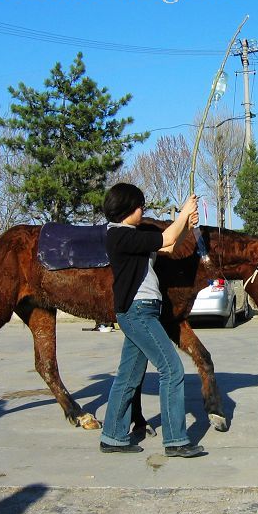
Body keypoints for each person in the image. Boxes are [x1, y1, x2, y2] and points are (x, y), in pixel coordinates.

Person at [100, 183, 205, 457]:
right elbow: (166, 238)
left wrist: (187, 223)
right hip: (137, 311)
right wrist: (182, 213)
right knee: (172, 369)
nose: (142, 210)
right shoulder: (119, 236)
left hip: (142, 311)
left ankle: (112, 435)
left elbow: (170, 245)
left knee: (129, 376)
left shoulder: (132, 235)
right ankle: (175, 440)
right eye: (139, 206)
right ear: (126, 209)